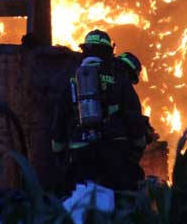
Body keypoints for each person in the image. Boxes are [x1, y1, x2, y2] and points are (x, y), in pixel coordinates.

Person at [52, 29, 149, 192]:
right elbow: (132, 115)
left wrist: (58, 149)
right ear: (108, 51)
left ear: (84, 50)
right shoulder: (118, 77)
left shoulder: (71, 77)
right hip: (114, 148)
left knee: (80, 197)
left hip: (80, 148)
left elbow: (60, 116)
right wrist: (139, 142)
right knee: (122, 195)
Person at [116, 51, 159, 181]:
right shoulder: (124, 88)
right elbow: (133, 119)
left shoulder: (95, 78)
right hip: (116, 146)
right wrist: (144, 137)